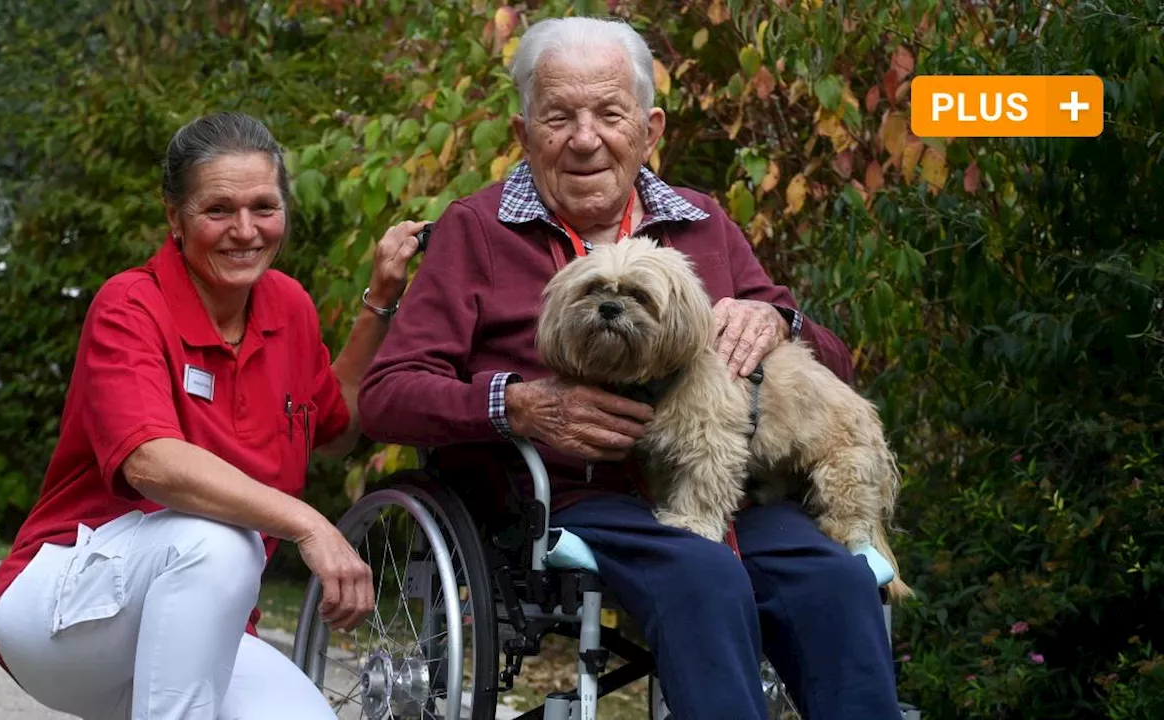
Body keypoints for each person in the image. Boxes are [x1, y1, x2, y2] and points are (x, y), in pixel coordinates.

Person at [357, 16, 903, 720]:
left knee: (833, 582)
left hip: (722, 486)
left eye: (609, 115)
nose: (586, 138)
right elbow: (387, 396)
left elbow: (833, 366)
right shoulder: (478, 231)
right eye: (559, 117)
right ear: (524, 136)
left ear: (649, 131)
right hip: (570, 497)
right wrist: (518, 404)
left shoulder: (703, 223)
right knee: (701, 574)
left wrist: (779, 322)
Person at [0, 111, 424, 719]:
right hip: (62, 614)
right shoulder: (130, 304)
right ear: (175, 217)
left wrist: (381, 299)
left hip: (202, 629)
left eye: (263, 207)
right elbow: (151, 463)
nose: (245, 230)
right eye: (218, 210)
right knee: (219, 540)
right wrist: (309, 524)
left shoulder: (289, 307)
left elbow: (336, 428)